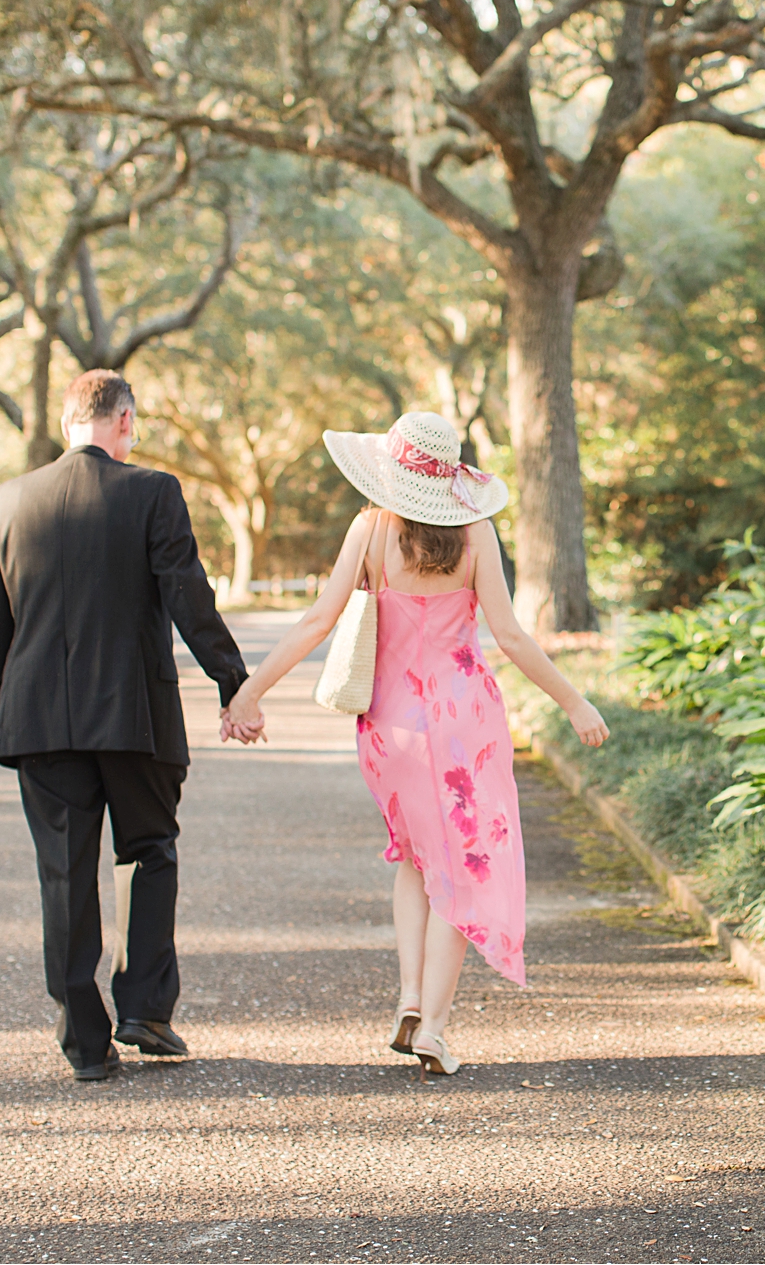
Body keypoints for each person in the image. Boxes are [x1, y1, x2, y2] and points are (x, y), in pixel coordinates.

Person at [220, 411, 609, 1077]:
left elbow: (318, 620)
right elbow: (511, 637)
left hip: (389, 726)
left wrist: (249, 692)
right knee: (461, 870)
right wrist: (573, 701)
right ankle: (432, 1027)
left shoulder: (371, 531)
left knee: (416, 859)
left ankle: (408, 995)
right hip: (464, 724)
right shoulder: (475, 533)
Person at [0, 370, 249, 1082]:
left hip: (37, 721)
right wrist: (233, 682)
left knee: (63, 876)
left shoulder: (8, 501)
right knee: (149, 849)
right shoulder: (153, 491)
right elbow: (189, 596)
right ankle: (146, 1010)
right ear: (124, 420)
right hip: (135, 717)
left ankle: (85, 1045)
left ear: (69, 421)